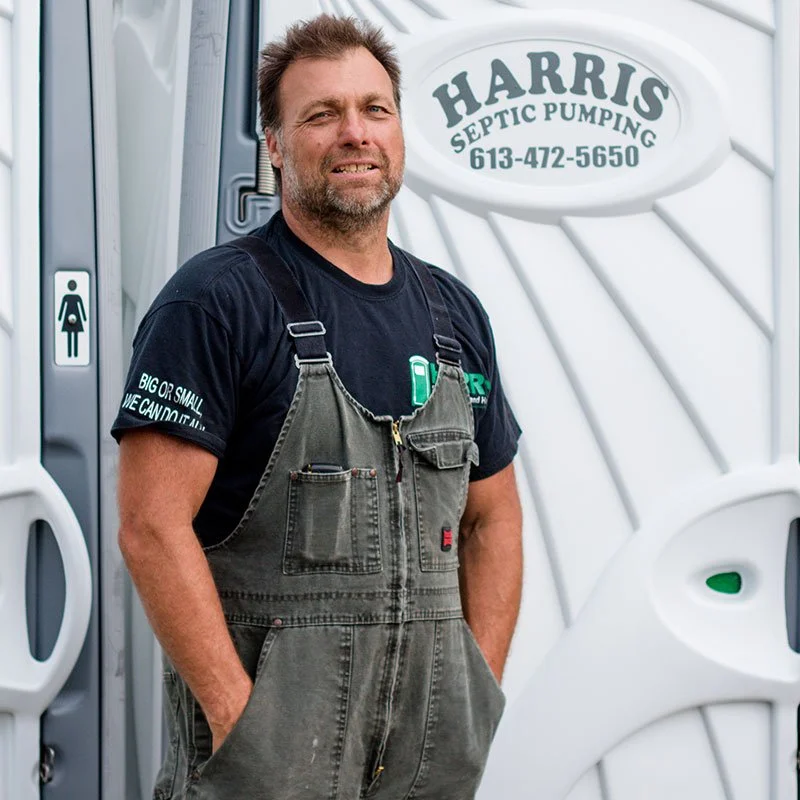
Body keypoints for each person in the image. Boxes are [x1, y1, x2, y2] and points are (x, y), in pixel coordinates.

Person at [114, 14, 522, 800]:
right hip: (268, 770)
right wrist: (244, 725)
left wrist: (476, 695)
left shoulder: (453, 316)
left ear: (400, 131)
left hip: (428, 765)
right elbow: (150, 527)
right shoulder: (215, 303)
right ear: (273, 144)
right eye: (321, 114)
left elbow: (492, 518)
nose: (354, 134)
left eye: (374, 109)